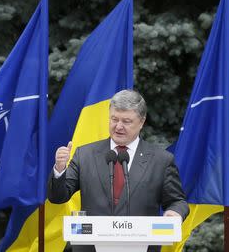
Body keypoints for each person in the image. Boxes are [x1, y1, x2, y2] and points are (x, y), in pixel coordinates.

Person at [47, 89, 189, 252]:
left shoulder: (161, 160)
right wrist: (59, 168)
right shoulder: (85, 154)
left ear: (141, 122)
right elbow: (58, 197)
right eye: (114, 119)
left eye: (126, 121)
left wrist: (174, 213)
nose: (118, 126)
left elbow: (177, 201)